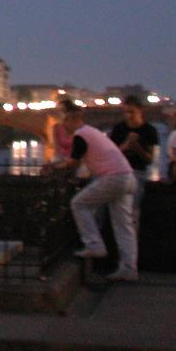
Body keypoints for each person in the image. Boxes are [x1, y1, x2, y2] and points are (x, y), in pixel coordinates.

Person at [53, 99, 138, 282]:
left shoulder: (81, 135)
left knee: (79, 204)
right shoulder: (93, 132)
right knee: (124, 226)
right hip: (128, 177)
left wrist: (56, 167)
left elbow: (73, 162)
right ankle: (129, 268)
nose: (62, 125)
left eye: (64, 121)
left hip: (113, 178)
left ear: (72, 119)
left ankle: (94, 244)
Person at [108, 95, 160, 222]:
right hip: (119, 174)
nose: (128, 115)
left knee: (132, 211)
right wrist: (126, 146)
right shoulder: (118, 129)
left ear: (140, 110)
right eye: (126, 112)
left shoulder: (149, 131)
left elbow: (150, 159)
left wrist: (137, 147)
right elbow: (111, 155)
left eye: (132, 112)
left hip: (137, 172)